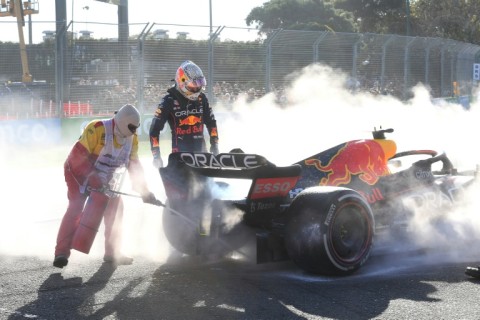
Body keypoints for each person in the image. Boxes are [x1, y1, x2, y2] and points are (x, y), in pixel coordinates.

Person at [53, 104, 158, 268]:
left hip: (105, 178)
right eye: (132, 127)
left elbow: (134, 166)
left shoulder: (132, 138)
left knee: (116, 209)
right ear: (123, 122)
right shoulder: (97, 128)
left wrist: (144, 191)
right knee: (76, 207)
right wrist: (95, 182)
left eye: (136, 128)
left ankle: (113, 253)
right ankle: (61, 253)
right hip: (77, 173)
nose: (134, 131)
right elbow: (76, 158)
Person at [149, 60, 219, 169]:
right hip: (180, 156)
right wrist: (156, 155)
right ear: (182, 82)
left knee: (206, 185)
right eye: (193, 86)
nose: (196, 89)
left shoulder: (202, 98)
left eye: (199, 85)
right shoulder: (168, 101)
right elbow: (154, 129)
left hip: (202, 154)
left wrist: (215, 145)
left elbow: (211, 123)